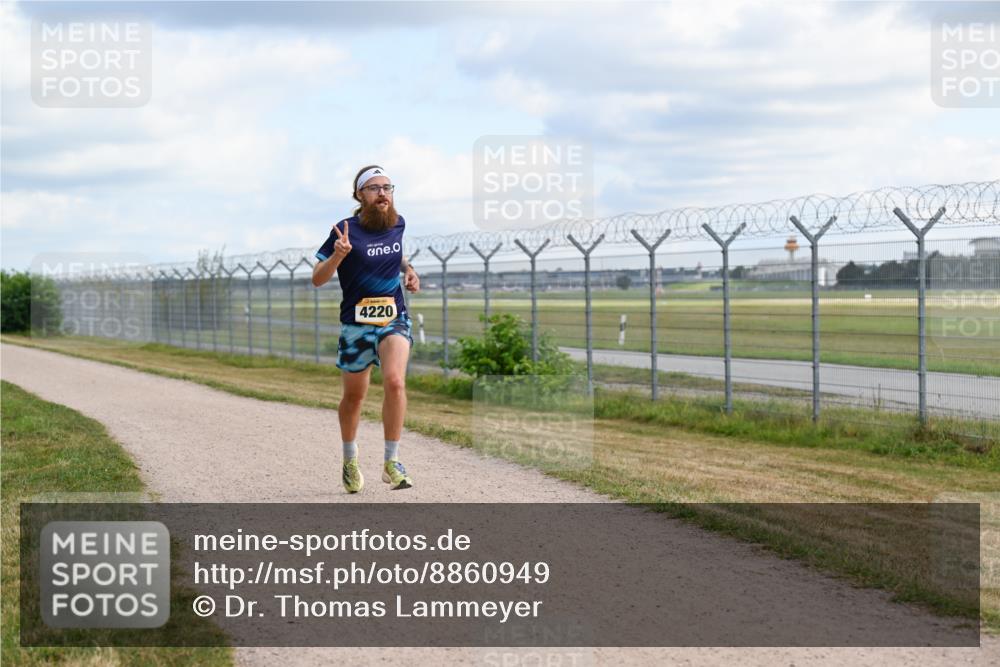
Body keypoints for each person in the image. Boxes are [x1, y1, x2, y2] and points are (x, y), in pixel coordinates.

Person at [312, 165, 420, 493]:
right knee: (354, 397)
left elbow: (395, 256)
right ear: (360, 195)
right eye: (374, 188)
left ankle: (392, 461)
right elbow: (317, 278)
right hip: (356, 325)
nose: (383, 193)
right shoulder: (344, 231)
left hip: (393, 318)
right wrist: (337, 257)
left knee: (395, 381)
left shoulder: (397, 224)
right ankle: (350, 459)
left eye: (388, 187)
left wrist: (410, 271)